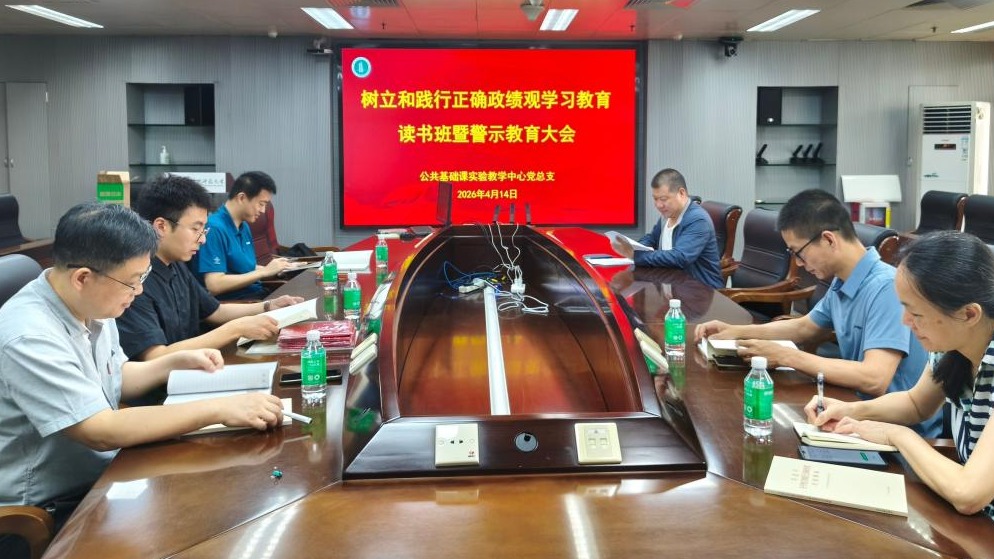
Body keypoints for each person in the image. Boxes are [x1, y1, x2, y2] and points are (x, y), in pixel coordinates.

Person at [0, 203, 284, 534]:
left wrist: (171, 363)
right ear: (82, 278)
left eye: (143, 277)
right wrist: (219, 409)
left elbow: (115, 378)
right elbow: (100, 430)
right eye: (132, 281)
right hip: (49, 509)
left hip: (103, 473)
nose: (139, 291)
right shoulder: (29, 335)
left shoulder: (90, 301)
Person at [695, 189, 939, 436]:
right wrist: (735, 331)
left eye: (798, 253)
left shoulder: (885, 287)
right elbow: (805, 327)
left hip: (896, 431)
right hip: (853, 411)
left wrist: (787, 356)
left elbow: (874, 377)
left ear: (829, 240)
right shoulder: (843, 280)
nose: (798, 263)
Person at [806, 231, 994, 521]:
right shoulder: (951, 348)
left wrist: (897, 435)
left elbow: (968, 494)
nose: (905, 321)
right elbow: (916, 404)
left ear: (969, 314)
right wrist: (850, 410)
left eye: (915, 313)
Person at [118, 174, 304, 361]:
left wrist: (268, 306)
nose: (203, 239)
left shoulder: (176, 264)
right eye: (195, 229)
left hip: (197, 365)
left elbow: (215, 311)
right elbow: (155, 356)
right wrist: (235, 329)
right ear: (161, 226)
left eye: (203, 229)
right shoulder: (134, 280)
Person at [610, 169, 723, 289]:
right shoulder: (668, 214)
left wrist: (636, 256)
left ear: (681, 193)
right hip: (672, 285)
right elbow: (652, 239)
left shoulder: (697, 220)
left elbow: (680, 257)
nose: (659, 205)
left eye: (663, 199)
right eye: (655, 199)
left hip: (701, 292)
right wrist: (635, 247)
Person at [194, 171, 292, 300]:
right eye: (261, 204)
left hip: (258, 295)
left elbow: (244, 269)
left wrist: (278, 268)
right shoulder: (215, 228)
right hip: (240, 302)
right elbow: (214, 284)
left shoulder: (244, 225)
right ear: (241, 198)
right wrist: (264, 272)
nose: (263, 211)